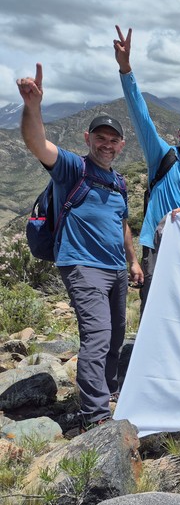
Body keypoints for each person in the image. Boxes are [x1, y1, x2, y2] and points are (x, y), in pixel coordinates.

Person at [17, 63, 143, 432]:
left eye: (113, 140)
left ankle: (104, 393)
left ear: (121, 145)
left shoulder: (118, 182)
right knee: (98, 336)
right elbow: (36, 143)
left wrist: (132, 262)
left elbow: (122, 225)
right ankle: (96, 415)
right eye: (100, 138)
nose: (107, 144)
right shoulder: (73, 168)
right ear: (88, 138)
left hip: (116, 269)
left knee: (116, 336)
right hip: (82, 265)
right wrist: (33, 106)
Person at [113, 26, 180, 313]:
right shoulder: (163, 156)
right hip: (155, 246)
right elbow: (141, 116)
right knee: (154, 306)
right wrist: (126, 69)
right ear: (179, 134)